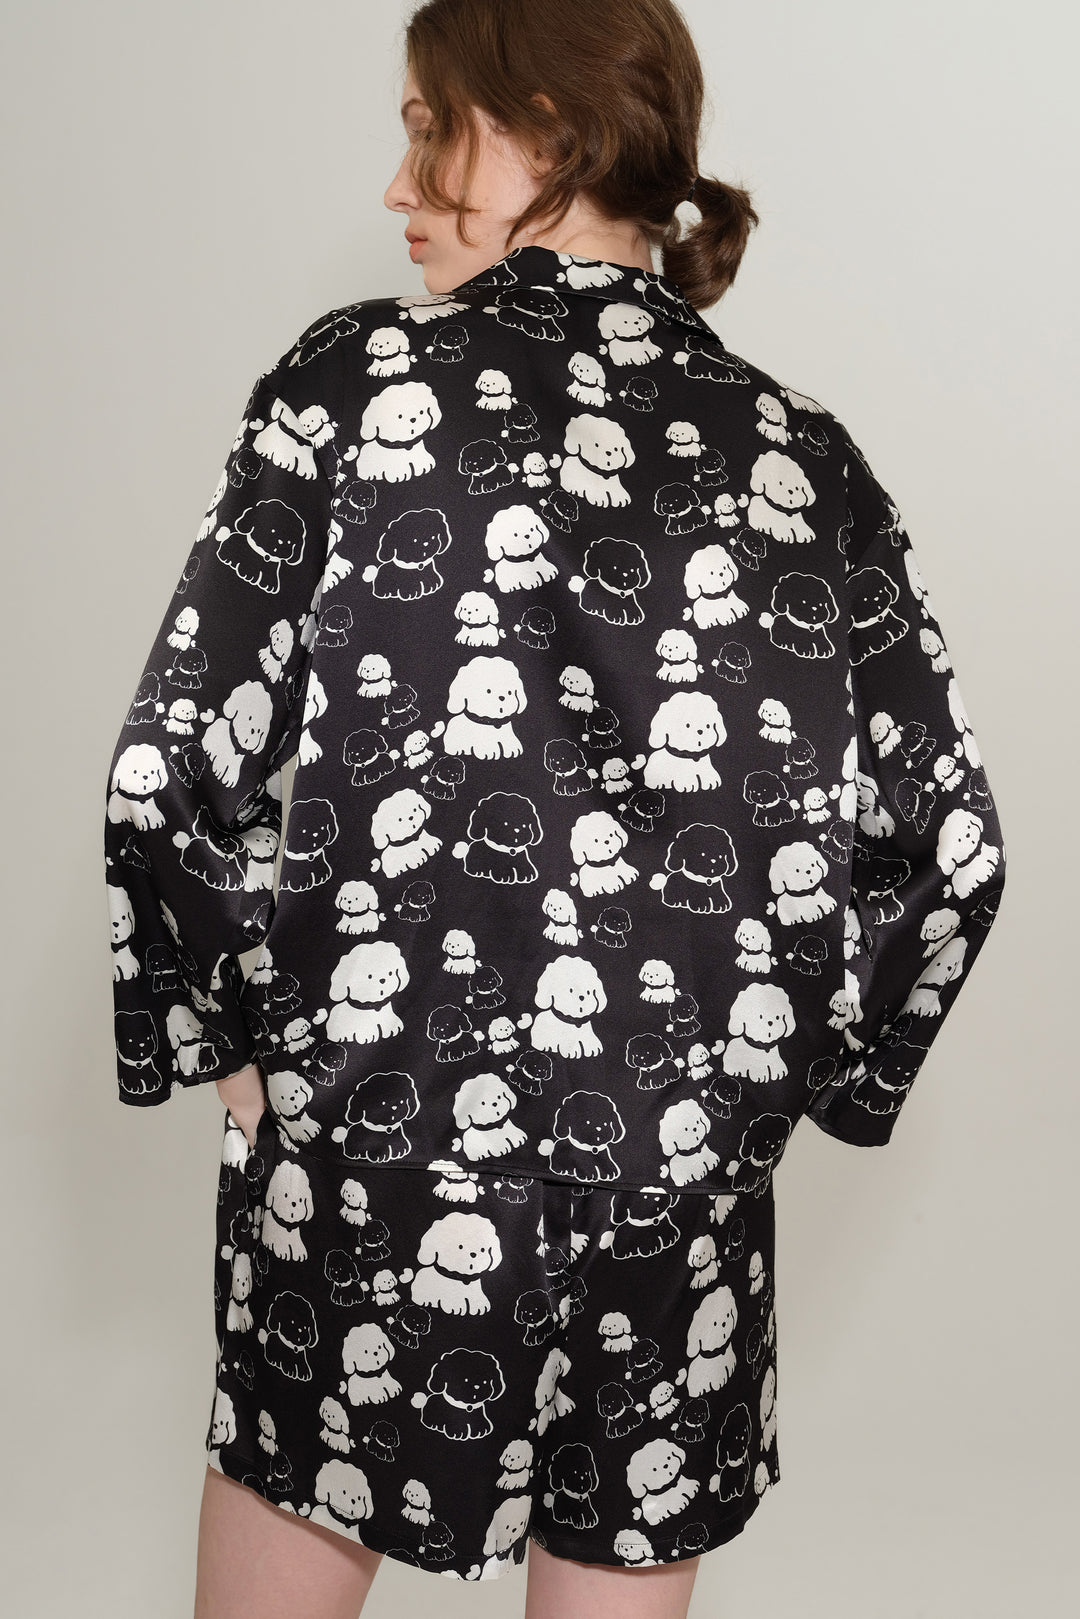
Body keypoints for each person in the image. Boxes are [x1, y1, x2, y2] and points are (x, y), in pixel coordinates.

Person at [102, 1, 1008, 1614]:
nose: (396, 188)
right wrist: (779, 1092)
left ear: (545, 128)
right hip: (676, 1180)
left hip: (371, 1132)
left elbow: (166, 770)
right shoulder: (807, 458)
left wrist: (237, 1049)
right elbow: (951, 848)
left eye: (423, 129)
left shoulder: (358, 383)